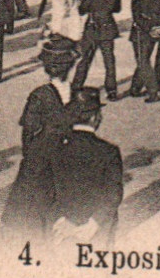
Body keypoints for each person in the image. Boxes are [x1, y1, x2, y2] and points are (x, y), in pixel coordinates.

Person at [0, 36, 78, 239]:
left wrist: (30, 154)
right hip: (69, 154)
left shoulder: (39, 95)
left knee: (30, 205)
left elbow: (28, 131)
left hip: (41, 155)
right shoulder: (78, 94)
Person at [46, 88, 125, 245]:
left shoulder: (54, 147)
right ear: (96, 118)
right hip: (97, 230)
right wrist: (92, 225)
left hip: (59, 229)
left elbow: (45, 188)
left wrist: (60, 219)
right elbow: (113, 194)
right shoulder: (109, 151)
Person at [74, 0, 121, 95]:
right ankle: (111, 89)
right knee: (109, 60)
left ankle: (76, 86)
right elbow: (117, 8)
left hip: (92, 26)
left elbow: (82, 9)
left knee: (85, 58)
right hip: (107, 26)